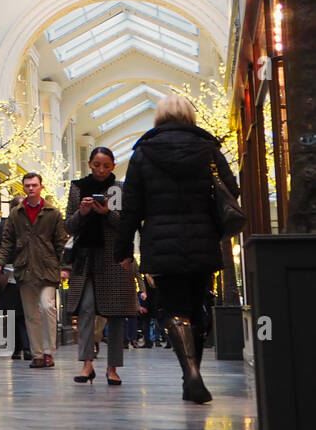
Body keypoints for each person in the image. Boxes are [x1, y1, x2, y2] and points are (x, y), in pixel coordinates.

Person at [116, 94, 241, 404]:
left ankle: (191, 374)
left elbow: (130, 206)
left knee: (172, 308)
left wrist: (123, 250)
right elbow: (232, 189)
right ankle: (195, 374)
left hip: (160, 241)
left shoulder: (143, 153)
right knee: (198, 304)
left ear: (159, 117)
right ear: (190, 115)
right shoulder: (208, 149)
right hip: (203, 239)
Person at [64, 146, 138, 386]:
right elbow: (69, 226)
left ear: (114, 166)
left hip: (113, 258)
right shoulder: (77, 187)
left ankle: (112, 367)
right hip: (85, 259)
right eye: (97, 164)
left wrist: (106, 213)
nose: (101, 170)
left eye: (106, 165)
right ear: (90, 164)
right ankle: (87, 364)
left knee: (115, 313)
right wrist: (83, 212)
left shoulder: (120, 190)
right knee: (85, 308)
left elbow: (126, 225)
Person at [0, 173, 69, 368]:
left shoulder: (53, 213)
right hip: (25, 269)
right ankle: (37, 354)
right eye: (27, 186)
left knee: (47, 307)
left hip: (48, 269)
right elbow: (7, 241)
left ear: (41, 187)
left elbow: (62, 242)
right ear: (24, 188)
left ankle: (49, 351)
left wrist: (65, 267)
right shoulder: (16, 214)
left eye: (34, 185)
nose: (31, 189)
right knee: (30, 314)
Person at [0, 197, 32, 360]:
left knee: (15, 312)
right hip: (15, 273)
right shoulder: (15, 226)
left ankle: (19, 348)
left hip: (10, 273)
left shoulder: (0, 227)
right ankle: (24, 347)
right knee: (21, 312)